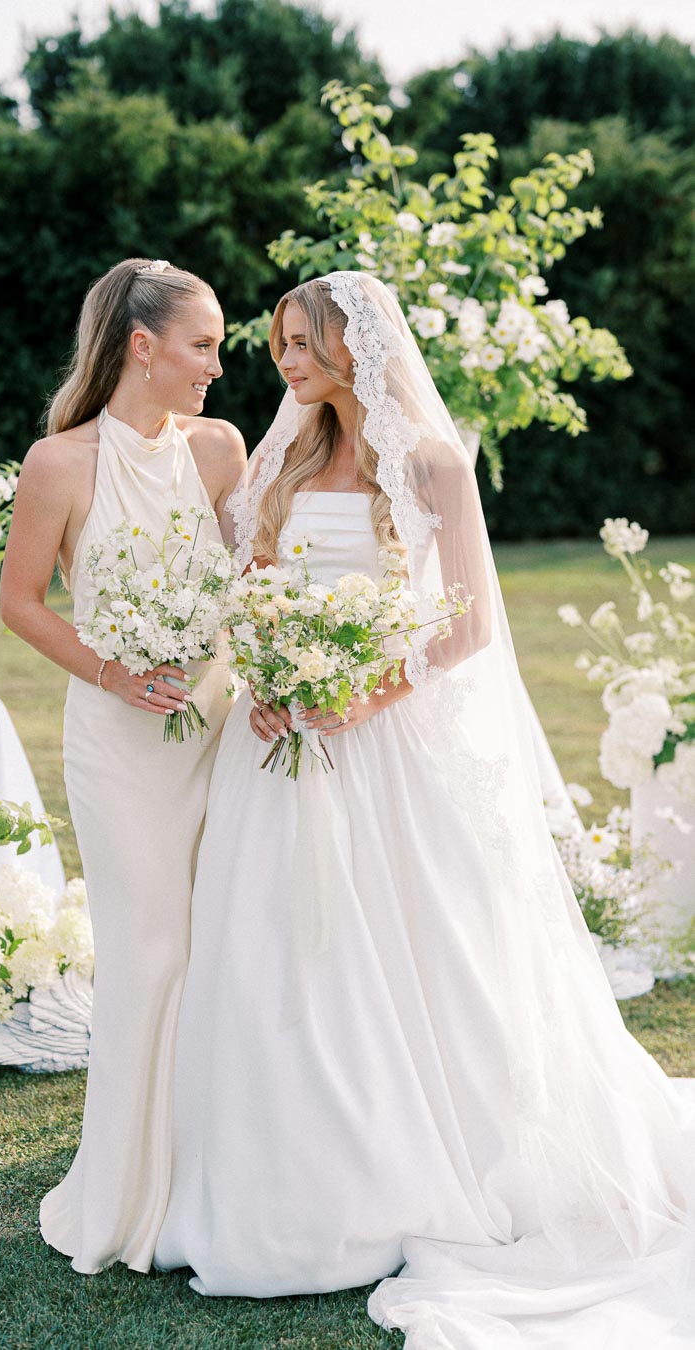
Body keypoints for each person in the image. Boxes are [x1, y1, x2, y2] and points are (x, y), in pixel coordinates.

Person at [153, 272, 695, 1347]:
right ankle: (296, 1167)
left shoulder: (435, 465)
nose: (285, 364)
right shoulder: (286, 459)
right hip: (285, 745)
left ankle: (436, 1155)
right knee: (281, 953)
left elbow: (466, 631)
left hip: (390, 740)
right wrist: (267, 683)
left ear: (354, 343)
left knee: (419, 939)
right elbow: (249, 586)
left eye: (300, 343)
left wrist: (357, 692)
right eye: (277, 347)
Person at [0, 258, 246, 1275]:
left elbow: (257, 580)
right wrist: (111, 671)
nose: (218, 368)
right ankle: (128, 1189)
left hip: (221, 729)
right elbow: (20, 603)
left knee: (223, 941)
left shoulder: (224, 450)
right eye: (204, 345)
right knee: (147, 953)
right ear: (141, 345)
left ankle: (216, 1174)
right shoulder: (58, 463)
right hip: (118, 743)